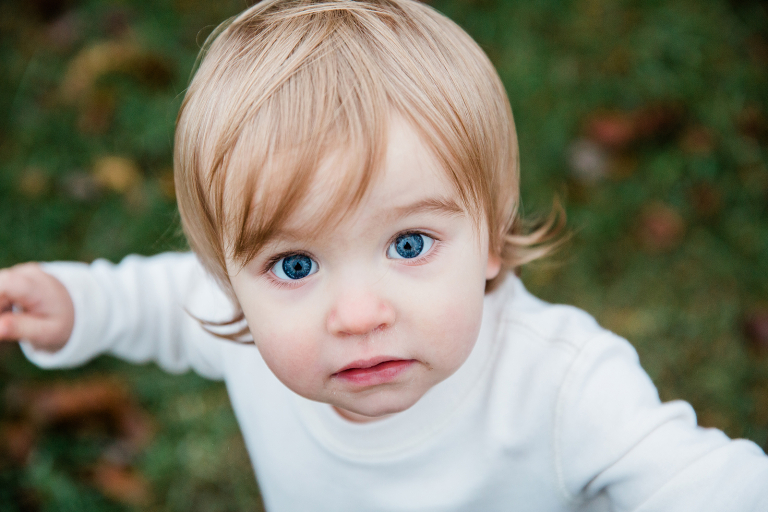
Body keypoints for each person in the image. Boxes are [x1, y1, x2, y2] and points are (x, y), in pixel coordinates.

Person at [1, 0, 767, 509]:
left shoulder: (563, 385)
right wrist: (81, 307)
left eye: (409, 244)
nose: (360, 315)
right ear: (230, 279)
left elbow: (705, 484)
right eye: (295, 265)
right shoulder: (236, 316)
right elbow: (160, 304)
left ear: (493, 239)